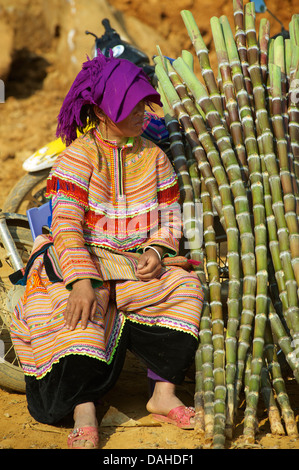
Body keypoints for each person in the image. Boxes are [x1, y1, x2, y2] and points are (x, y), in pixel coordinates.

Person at [10, 52, 204, 449]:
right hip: (80, 257)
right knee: (78, 307)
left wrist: (157, 248)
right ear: (101, 110)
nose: (143, 114)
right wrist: (81, 279)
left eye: (144, 105)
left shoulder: (154, 157)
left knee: (185, 289)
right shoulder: (78, 156)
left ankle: (162, 395)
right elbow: (64, 225)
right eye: (131, 107)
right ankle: (84, 411)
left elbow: (171, 218)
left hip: (133, 262)